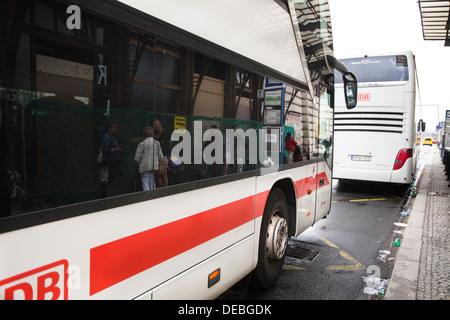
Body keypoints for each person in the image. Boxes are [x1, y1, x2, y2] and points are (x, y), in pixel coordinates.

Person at [134, 127, 163, 191]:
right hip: (153, 166)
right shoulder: (156, 143)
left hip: (144, 166)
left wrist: (138, 163)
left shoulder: (142, 144)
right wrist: (159, 163)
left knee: (145, 182)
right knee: (152, 181)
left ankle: (147, 197)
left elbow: (137, 158)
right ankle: (153, 196)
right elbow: (160, 156)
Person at [100, 122, 123, 198]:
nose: (115, 129)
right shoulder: (107, 137)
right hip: (110, 161)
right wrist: (116, 149)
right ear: (110, 128)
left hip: (115, 160)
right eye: (114, 127)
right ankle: (107, 195)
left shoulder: (113, 137)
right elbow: (105, 150)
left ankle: (108, 194)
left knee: (113, 178)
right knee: (109, 178)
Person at [153, 119, 169, 187]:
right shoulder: (154, 135)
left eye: (156, 124)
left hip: (163, 156)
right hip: (156, 157)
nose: (155, 126)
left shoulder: (164, 133)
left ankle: (165, 189)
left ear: (160, 124)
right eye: (154, 125)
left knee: (164, 174)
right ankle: (160, 189)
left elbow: (164, 144)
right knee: (157, 175)